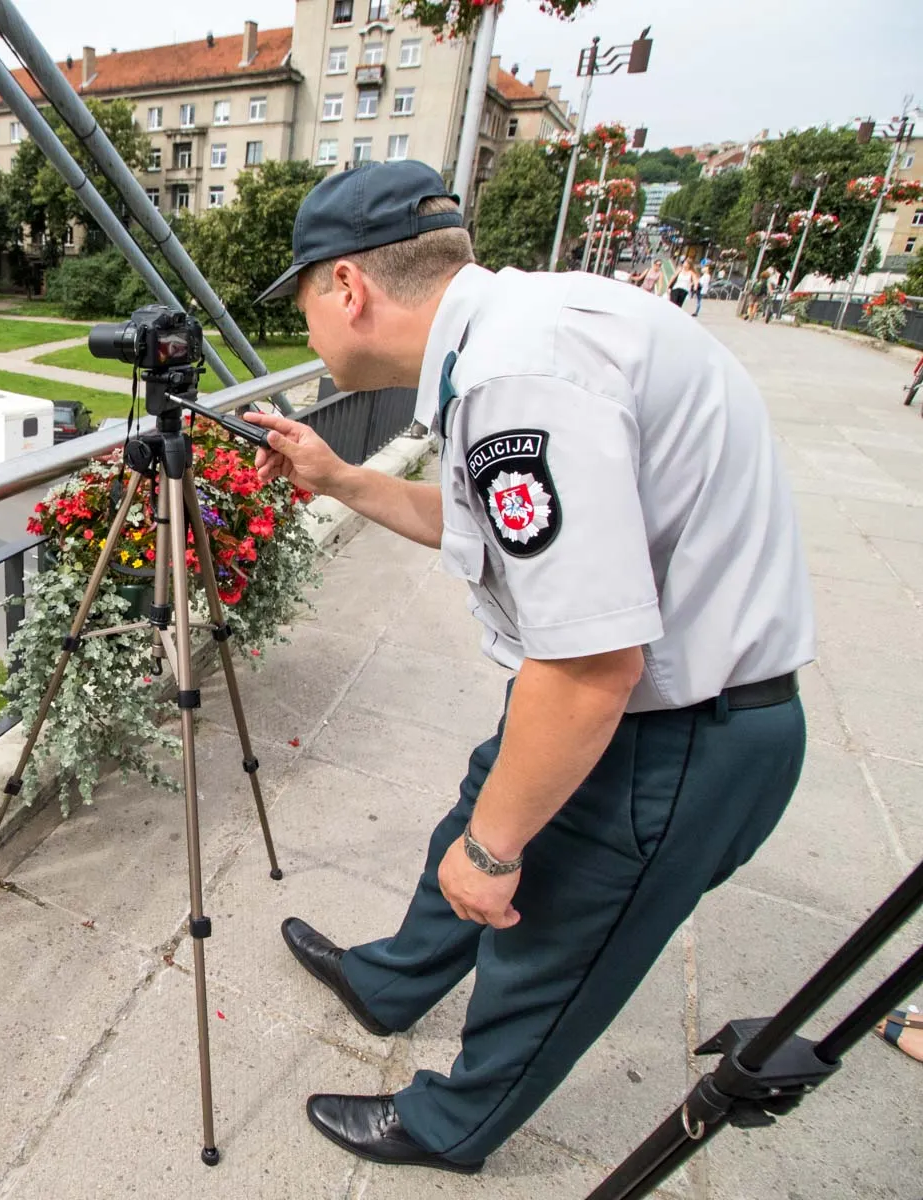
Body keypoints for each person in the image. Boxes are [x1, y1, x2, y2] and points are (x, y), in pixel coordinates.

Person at [243, 161, 814, 1175]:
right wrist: (339, 477)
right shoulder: (516, 335)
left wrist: (498, 850)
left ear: (349, 287)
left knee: (543, 942)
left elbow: (592, 660)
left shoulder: (520, 381)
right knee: (473, 810)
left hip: (676, 733)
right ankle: (392, 981)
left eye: (300, 298)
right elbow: (488, 536)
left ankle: (453, 1122)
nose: (304, 324)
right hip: (645, 706)